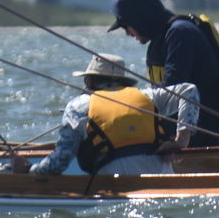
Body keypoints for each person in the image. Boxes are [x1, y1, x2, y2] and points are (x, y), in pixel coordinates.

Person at [11, 53, 198, 176]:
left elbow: (60, 161)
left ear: (90, 80)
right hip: (164, 176)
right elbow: (189, 91)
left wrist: (29, 170)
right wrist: (181, 140)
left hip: (117, 182)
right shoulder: (147, 96)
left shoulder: (78, 106)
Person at [107, 0, 219, 146]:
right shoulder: (163, 36)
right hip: (174, 130)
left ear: (139, 18)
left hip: (197, 134)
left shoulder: (179, 34)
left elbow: (172, 90)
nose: (127, 33)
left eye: (125, 25)